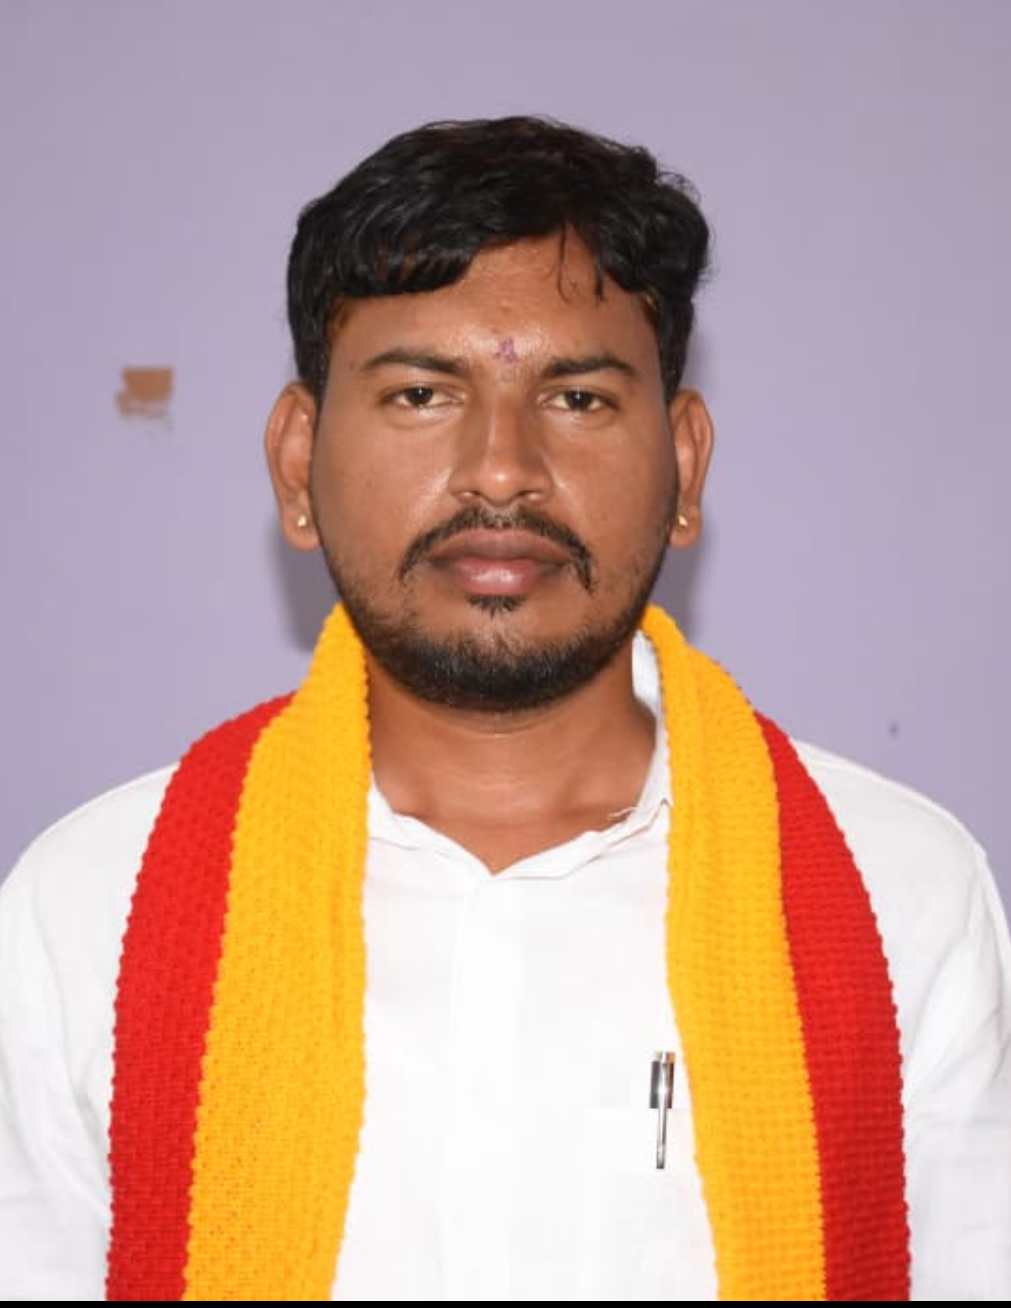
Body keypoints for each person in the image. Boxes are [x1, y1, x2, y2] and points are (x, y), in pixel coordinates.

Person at [1, 116, 1008, 1303]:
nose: (499, 468)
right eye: (422, 393)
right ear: (297, 463)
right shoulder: (92, 911)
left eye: (577, 398)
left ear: (686, 466)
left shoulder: (900, 898)